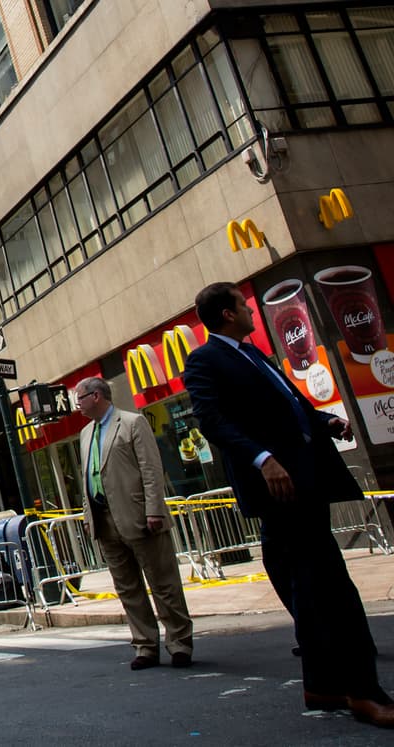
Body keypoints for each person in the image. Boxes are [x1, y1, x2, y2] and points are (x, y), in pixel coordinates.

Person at [183, 282, 392, 728]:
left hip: (305, 477)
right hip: (280, 487)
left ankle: (323, 684)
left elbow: (287, 405)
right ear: (225, 314)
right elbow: (212, 420)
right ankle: (364, 692)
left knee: (310, 587)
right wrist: (263, 459)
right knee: (332, 588)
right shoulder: (206, 359)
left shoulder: (252, 353)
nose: (251, 313)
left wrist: (324, 421)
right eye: (243, 306)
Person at [74, 376, 193, 670]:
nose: (77, 404)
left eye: (81, 398)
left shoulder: (132, 423)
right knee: (128, 588)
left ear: (97, 396)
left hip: (139, 516)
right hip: (104, 522)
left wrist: (153, 509)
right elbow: (88, 477)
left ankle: (179, 643)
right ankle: (145, 646)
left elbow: (151, 470)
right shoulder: (85, 434)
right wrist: (89, 519)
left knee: (163, 583)